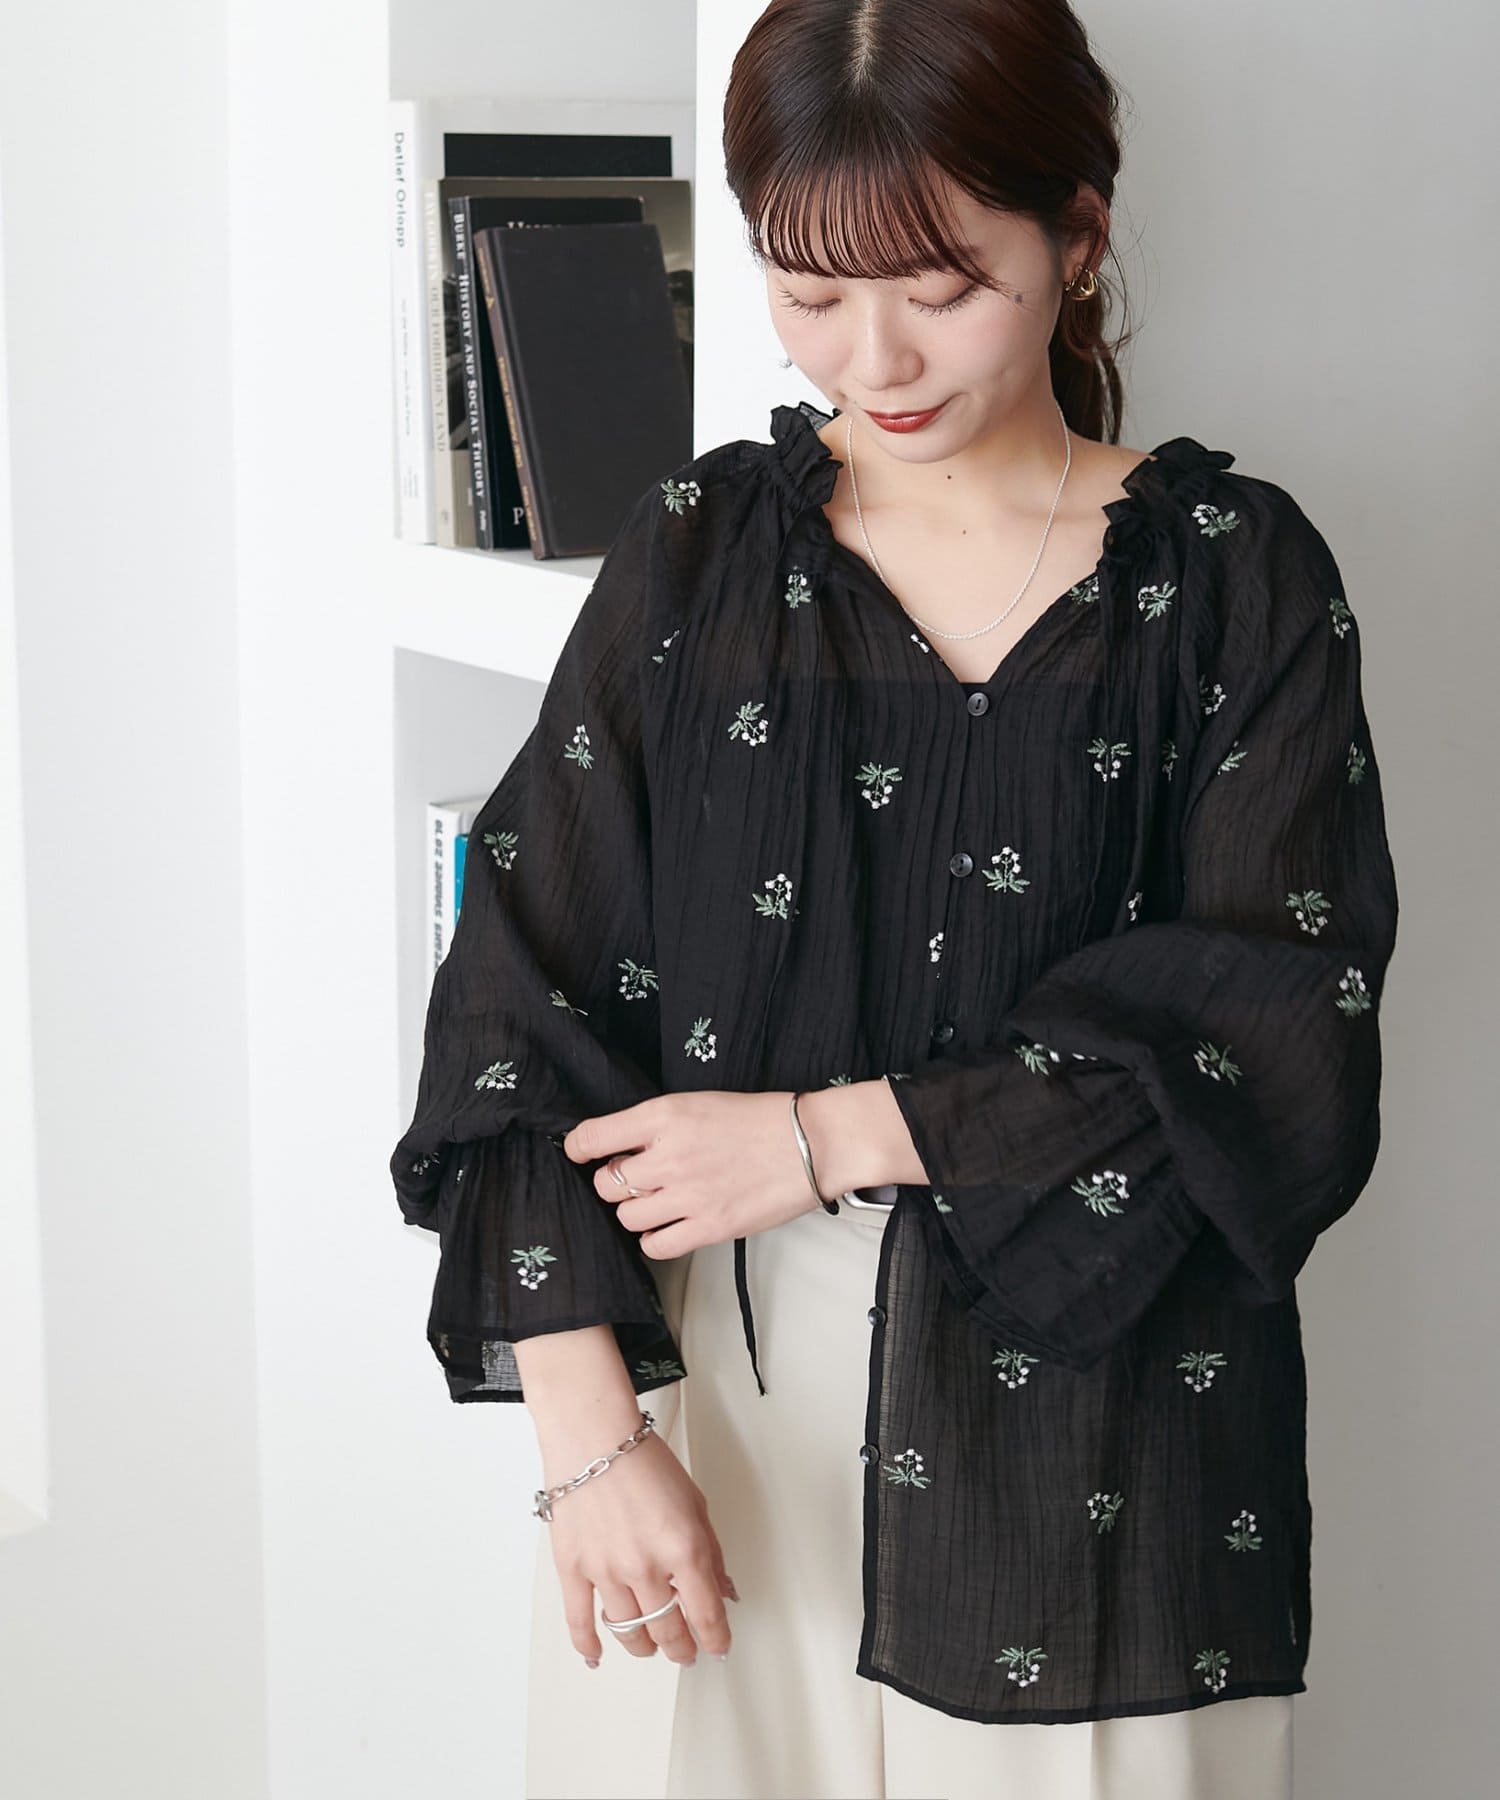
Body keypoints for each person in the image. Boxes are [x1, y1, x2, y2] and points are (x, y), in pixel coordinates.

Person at [389, 2, 1399, 1795]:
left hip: (1106, 1441)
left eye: (941, 288)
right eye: (808, 291)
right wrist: (587, 1441)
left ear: (1077, 235)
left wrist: (828, 1135)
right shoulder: (698, 553)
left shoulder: (1235, 583)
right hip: (715, 1408)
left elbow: (1277, 1029)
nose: (875, 358)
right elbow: (519, 997)